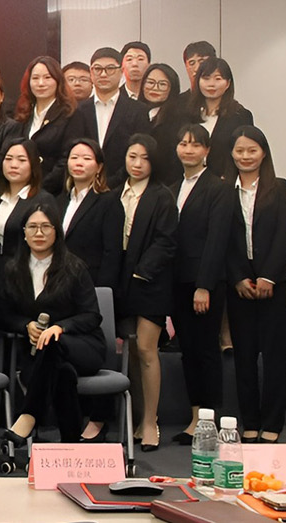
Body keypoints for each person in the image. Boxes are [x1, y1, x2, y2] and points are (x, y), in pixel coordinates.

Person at [0, 203, 107, 445]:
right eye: (32, 227)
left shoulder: (74, 267)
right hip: (39, 357)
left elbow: (92, 315)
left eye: (46, 227)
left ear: (57, 231)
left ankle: (28, 415)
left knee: (53, 341)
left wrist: (60, 328)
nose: (39, 233)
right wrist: (26, 325)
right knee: (63, 373)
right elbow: (3, 315)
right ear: (23, 232)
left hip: (83, 347)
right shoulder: (12, 269)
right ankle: (70, 443)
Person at [226, 126, 286, 444]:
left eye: (252, 150)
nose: (245, 156)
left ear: (263, 153)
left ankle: (273, 422)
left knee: (274, 356)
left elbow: (284, 234)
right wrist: (238, 277)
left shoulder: (279, 187)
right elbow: (224, 240)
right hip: (239, 285)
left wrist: (269, 276)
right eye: (240, 150)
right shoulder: (224, 190)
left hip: (276, 282)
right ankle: (250, 421)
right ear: (232, 154)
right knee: (243, 356)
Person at [113, 134, 178, 451]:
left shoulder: (161, 196)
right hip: (120, 280)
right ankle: (137, 418)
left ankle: (151, 421)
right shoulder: (115, 191)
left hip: (150, 281)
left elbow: (167, 241)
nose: (137, 164)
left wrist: (142, 271)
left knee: (146, 349)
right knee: (131, 351)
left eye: (145, 158)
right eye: (132, 156)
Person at [167, 124, 231, 445]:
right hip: (177, 282)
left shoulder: (218, 188)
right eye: (183, 143)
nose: (188, 149)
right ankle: (195, 419)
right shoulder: (172, 187)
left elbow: (217, 240)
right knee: (188, 351)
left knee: (206, 351)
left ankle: (210, 419)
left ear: (207, 150)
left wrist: (204, 285)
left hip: (204, 284)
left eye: (195, 144)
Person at [65, 48, 153, 188]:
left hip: (123, 187)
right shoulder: (78, 110)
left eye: (110, 69)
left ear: (121, 71)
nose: (103, 74)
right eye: (98, 69)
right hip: (84, 186)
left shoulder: (138, 110)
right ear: (91, 73)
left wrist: (111, 184)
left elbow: (140, 151)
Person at [57, 139, 124, 292]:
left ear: (99, 167)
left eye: (87, 158)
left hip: (90, 283)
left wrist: (102, 289)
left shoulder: (108, 201)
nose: (79, 163)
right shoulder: (61, 200)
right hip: (59, 283)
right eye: (74, 157)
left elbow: (112, 253)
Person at [0, 139, 47, 290]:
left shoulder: (42, 200)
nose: (13, 165)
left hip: (27, 278)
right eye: (8, 159)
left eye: (21, 160)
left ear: (33, 165)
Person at [15, 56, 76, 194]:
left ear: (58, 81)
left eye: (47, 77)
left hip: (52, 191)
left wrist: (40, 189)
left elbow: (66, 159)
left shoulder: (69, 114)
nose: (41, 83)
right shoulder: (24, 112)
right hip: (22, 188)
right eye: (35, 78)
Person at [188, 58, 253, 177]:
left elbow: (245, 151)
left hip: (224, 180)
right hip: (190, 179)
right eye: (206, 78)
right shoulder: (187, 113)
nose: (211, 84)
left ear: (227, 83)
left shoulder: (240, 116)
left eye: (218, 79)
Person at [141, 63, 190, 176]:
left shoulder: (179, 119)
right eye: (150, 82)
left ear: (172, 88)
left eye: (162, 84)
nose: (155, 88)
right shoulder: (134, 112)